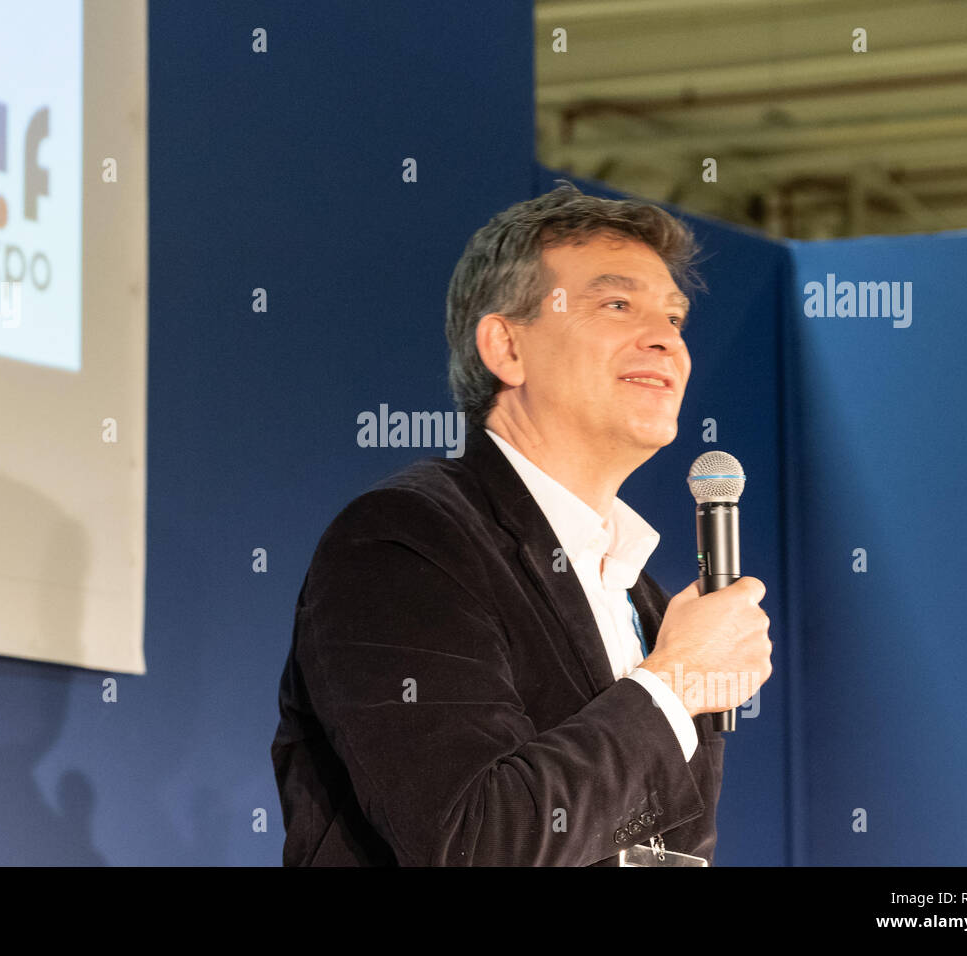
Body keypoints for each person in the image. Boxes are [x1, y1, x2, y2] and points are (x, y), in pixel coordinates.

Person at [270, 182, 773, 866]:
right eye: (617, 304)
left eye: (676, 319)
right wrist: (677, 681)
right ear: (506, 348)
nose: (666, 342)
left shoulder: (653, 604)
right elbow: (477, 841)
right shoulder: (405, 543)